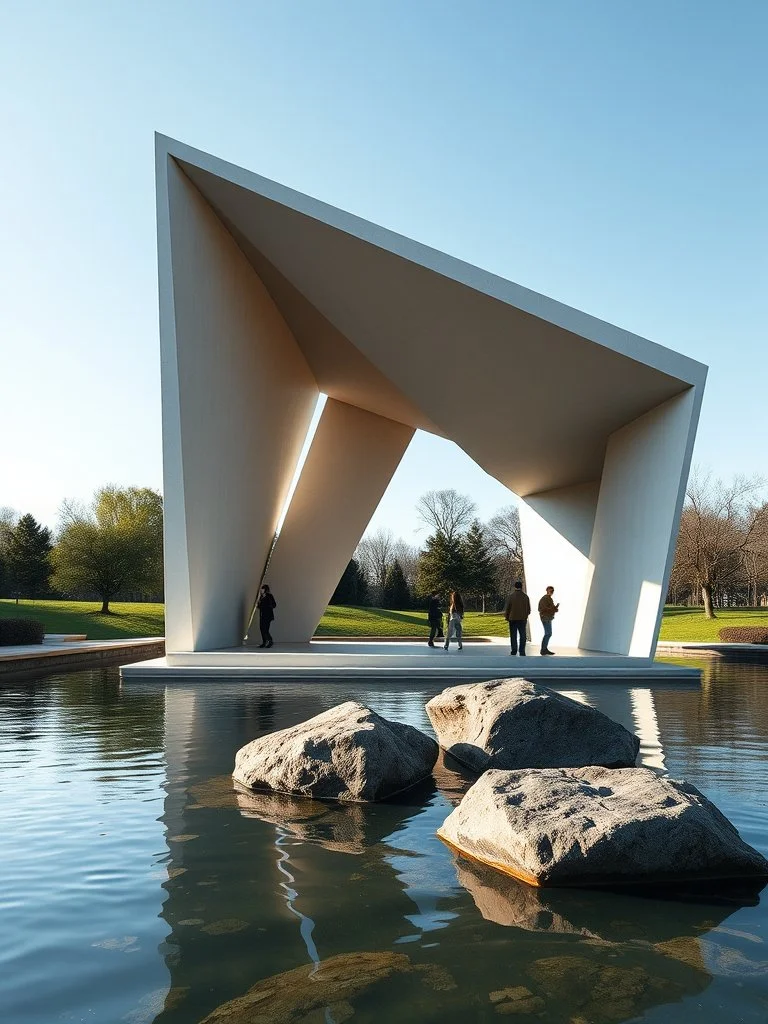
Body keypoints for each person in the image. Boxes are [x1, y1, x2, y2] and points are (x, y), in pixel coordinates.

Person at [503, 581, 530, 656]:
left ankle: (514, 651)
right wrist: (525, 616)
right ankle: (522, 651)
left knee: (513, 635)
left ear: (515, 587)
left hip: (513, 618)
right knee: (523, 635)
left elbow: (508, 608)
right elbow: (528, 609)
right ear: (521, 587)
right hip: (522, 619)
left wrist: (507, 617)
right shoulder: (525, 597)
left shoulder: (511, 596)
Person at [538, 586, 559, 655]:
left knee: (548, 633)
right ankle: (543, 649)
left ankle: (544, 649)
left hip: (547, 618)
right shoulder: (545, 598)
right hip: (545, 618)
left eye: (552, 591)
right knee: (548, 633)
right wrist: (553, 609)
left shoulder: (548, 598)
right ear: (547, 590)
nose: (552, 592)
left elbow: (549, 608)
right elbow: (543, 609)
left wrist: (555, 608)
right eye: (550, 590)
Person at [256, 584, 277, 648]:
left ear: (265, 589)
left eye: (262, 588)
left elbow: (274, 605)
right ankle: (264, 642)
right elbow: (259, 606)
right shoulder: (261, 597)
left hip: (268, 615)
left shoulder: (269, 596)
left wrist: (268, 606)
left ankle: (270, 641)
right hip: (262, 615)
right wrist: (258, 604)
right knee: (262, 629)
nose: (261, 590)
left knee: (265, 629)